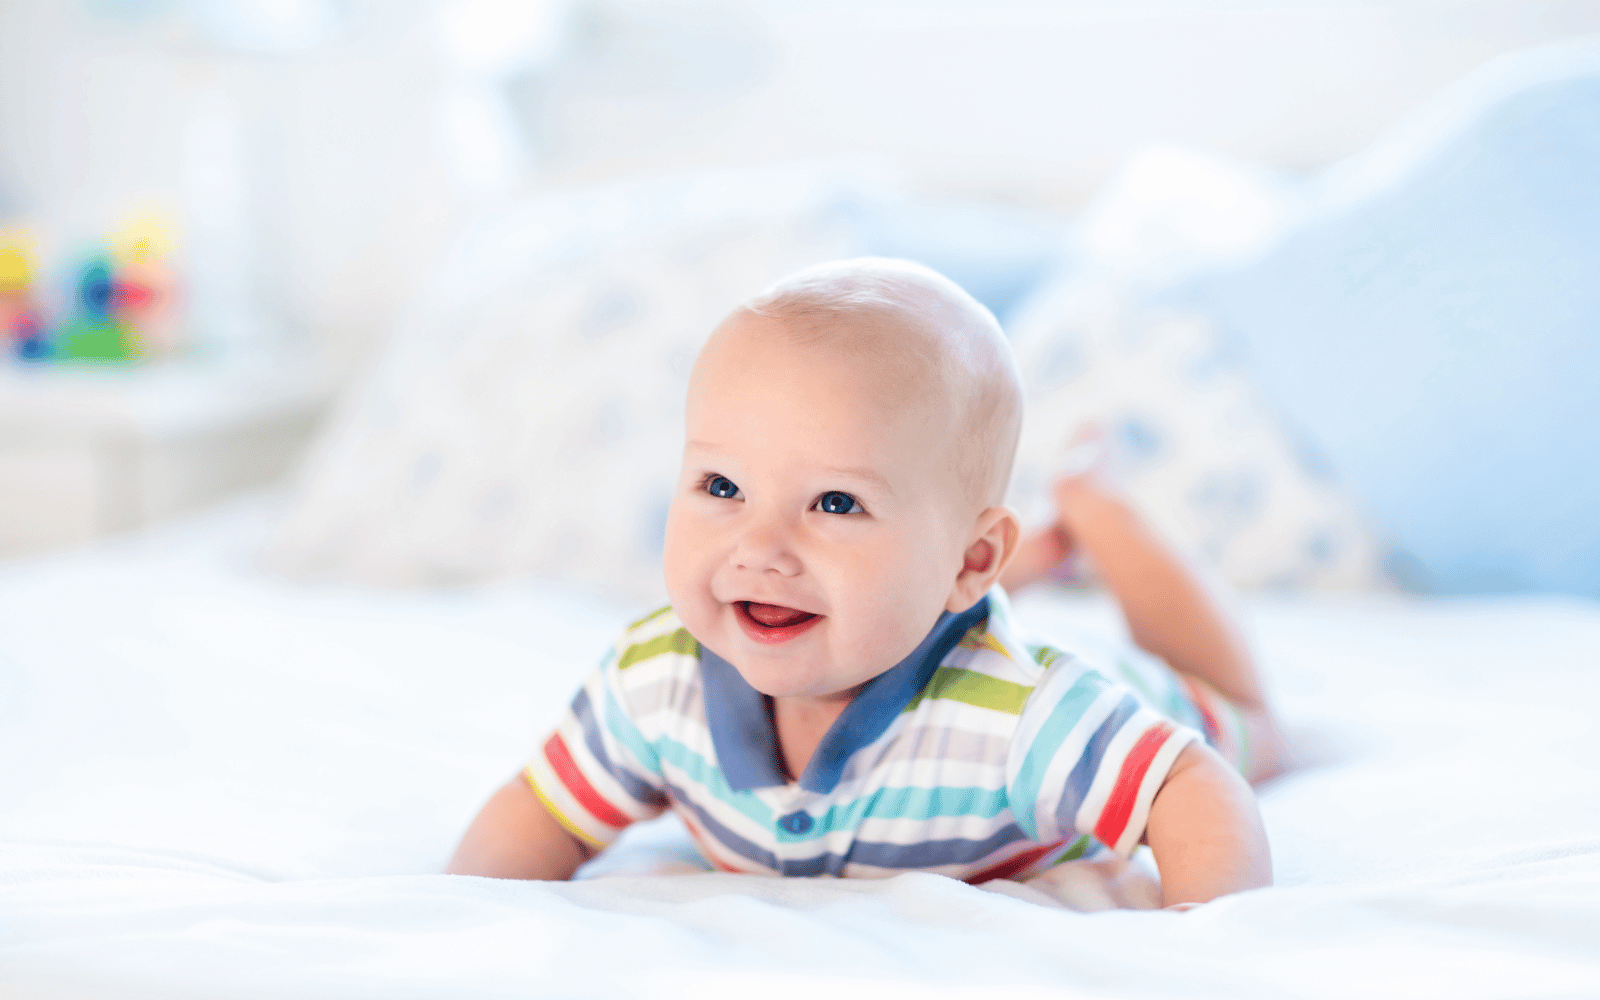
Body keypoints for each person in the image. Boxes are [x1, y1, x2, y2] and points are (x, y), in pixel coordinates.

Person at [447, 258, 1287, 908]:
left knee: (1252, 725)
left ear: (969, 558)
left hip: (1135, 689)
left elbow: (1190, 783)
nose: (761, 546)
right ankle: (1020, 562)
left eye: (836, 503)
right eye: (722, 488)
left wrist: (1200, 939)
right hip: (925, 592)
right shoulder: (651, 681)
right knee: (891, 595)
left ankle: (1090, 505)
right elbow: (545, 809)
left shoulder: (1023, 714)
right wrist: (461, 916)